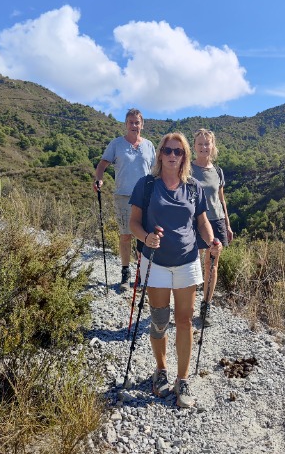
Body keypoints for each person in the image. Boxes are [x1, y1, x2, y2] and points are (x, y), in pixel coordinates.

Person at [129, 132, 222, 408]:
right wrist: (146, 238)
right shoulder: (146, 186)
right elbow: (133, 222)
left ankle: (182, 380)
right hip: (155, 262)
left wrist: (211, 241)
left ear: (185, 156)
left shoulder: (194, 187)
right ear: (160, 154)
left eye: (178, 152)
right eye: (168, 151)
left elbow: (202, 222)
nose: (172, 155)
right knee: (159, 320)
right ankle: (160, 370)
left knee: (184, 321)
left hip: (187, 261)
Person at [94, 108, 156, 291]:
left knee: (143, 237)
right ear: (126, 124)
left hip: (145, 197)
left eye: (137, 122)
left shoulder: (149, 146)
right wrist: (99, 179)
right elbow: (102, 165)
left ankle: (140, 274)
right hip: (123, 196)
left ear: (142, 125)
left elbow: (154, 171)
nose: (134, 126)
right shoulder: (116, 144)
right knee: (125, 235)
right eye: (131, 122)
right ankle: (125, 272)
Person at [191, 129, 233, 326]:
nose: (203, 147)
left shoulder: (218, 171)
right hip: (194, 221)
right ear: (194, 146)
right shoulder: (188, 169)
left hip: (216, 221)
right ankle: (187, 305)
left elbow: (221, 199)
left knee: (212, 265)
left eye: (207, 144)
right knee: (192, 264)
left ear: (212, 146)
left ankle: (205, 306)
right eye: (200, 144)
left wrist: (227, 224)